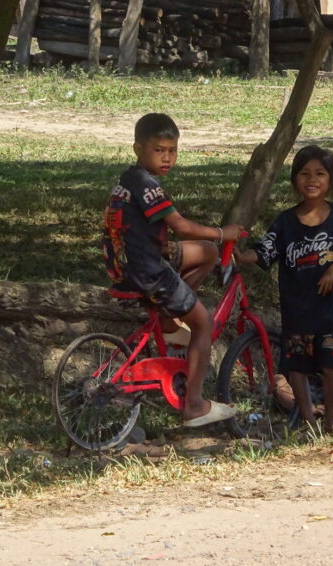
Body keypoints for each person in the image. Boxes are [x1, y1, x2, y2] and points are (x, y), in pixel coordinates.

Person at [102, 113, 245, 427]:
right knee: (203, 324)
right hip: (148, 272)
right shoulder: (147, 186)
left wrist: (210, 243)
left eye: (172, 150)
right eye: (159, 150)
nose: (167, 157)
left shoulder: (129, 179)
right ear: (138, 148)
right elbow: (181, 226)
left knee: (207, 253)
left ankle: (169, 320)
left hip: (128, 265)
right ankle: (194, 405)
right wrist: (222, 233)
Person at [234, 145, 333, 434]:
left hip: (329, 311)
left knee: (330, 366)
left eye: (320, 174)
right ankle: (308, 422)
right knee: (298, 368)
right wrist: (242, 256)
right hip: (297, 309)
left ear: (331, 180)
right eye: (304, 173)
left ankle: (330, 421)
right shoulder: (285, 222)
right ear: (294, 179)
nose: (312, 180)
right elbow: (265, 251)